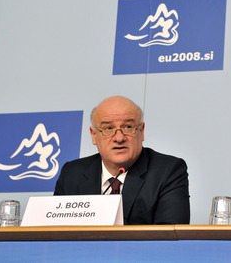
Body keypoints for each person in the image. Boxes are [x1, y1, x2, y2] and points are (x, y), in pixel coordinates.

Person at [54, 96, 190, 225]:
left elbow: (169, 235)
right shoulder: (72, 174)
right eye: (108, 128)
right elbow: (53, 232)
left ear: (141, 132)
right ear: (94, 135)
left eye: (128, 127)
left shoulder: (168, 171)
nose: (119, 138)